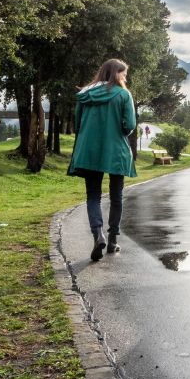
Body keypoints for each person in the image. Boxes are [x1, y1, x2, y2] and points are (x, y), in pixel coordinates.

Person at [68, 59, 137, 261]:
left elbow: (78, 124)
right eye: (123, 74)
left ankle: (98, 235)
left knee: (93, 196)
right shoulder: (124, 95)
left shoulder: (85, 95)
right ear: (115, 73)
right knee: (116, 197)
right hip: (116, 152)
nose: (125, 78)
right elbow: (129, 125)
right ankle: (113, 240)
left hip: (89, 151)